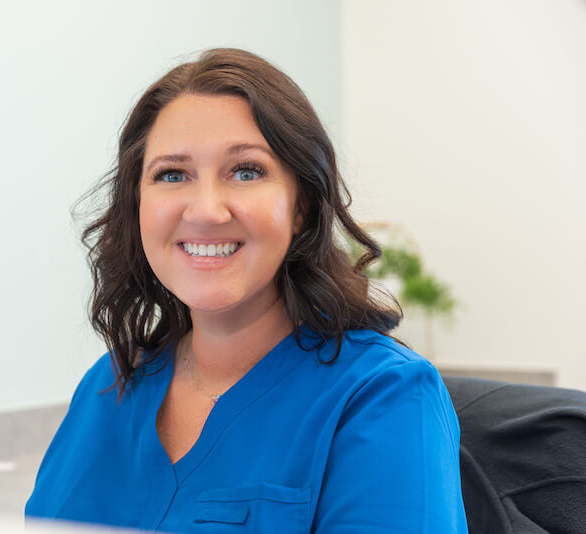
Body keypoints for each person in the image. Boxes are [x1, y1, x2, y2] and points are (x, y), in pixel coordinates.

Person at [25, 47, 469, 533]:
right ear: (138, 206)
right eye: (173, 174)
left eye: (246, 171)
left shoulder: (384, 396)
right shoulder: (109, 385)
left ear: (300, 206)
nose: (207, 210)